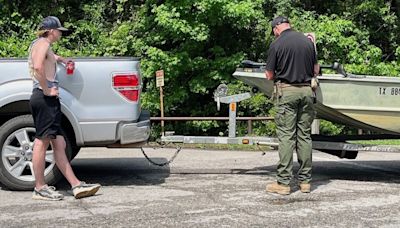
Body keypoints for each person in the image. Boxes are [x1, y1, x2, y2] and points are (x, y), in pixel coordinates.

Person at [28, 16, 101, 200]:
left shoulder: (43, 45)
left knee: (59, 143)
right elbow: (38, 67)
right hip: (44, 98)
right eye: (59, 30)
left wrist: (63, 60)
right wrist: (46, 89)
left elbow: (49, 59)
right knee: (41, 141)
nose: (61, 33)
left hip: (48, 100)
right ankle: (39, 187)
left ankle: (76, 185)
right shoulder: (43, 43)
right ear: (51, 31)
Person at [264, 16, 319, 195]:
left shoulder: (277, 44)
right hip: (307, 92)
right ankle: (305, 182)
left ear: (276, 28)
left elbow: (269, 75)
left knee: (287, 137)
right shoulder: (308, 42)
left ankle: (284, 183)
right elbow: (315, 70)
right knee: (304, 136)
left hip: (287, 92)